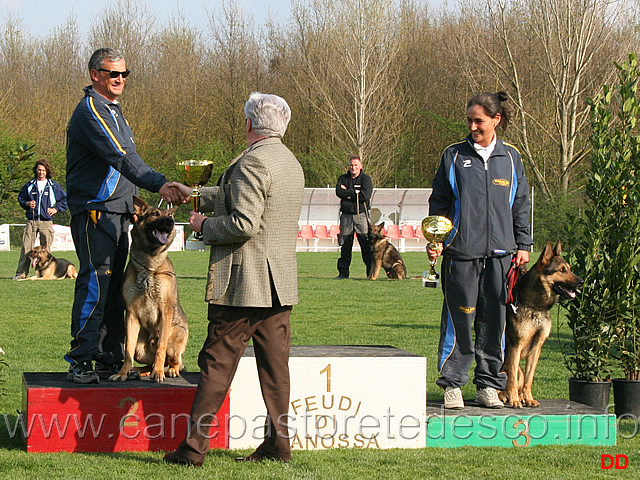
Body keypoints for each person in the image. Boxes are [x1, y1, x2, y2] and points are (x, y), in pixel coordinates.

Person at [164, 92, 304, 467]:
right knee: (276, 371)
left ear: (248, 124)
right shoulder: (289, 162)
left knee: (216, 363)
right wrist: (194, 194)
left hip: (242, 284)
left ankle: (193, 449)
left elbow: (243, 223)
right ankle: (279, 445)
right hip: (278, 286)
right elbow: (242, 198)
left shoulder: (252, 163)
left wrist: (202, 224)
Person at [64, 48, 190, 384]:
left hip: (120, 213)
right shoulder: (91, 110)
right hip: (95, 212)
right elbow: (121, 158)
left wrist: (159, 188)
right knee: (95, 284)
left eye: (125, 74)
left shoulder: (116, 112)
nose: (120, 79)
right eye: (112, 74)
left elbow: (130, 157)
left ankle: (107, 357)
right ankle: (80, 360)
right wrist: (160, 184)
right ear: (95, 75)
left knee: (117, 293)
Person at [428, 91, 532, 410]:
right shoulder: (454, 156)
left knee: (494, 321)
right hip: (461, 253)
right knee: (459, 320)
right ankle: (453, 384)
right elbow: (440, 202)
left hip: (502, 256)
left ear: (495, 120)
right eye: (470, 120)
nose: (473, 126)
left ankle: (489, 384)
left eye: (479, 121)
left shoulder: (512, 158)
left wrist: (523, 244)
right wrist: (437, 239)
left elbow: (521, 204)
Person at [13, 159, 68, 280]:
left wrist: (56, 209)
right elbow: (20, 198)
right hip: (31, 221)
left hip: (46, 222)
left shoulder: (53, 185)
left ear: (47, 171)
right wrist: (27, 203)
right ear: (36, 171)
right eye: (39, 170)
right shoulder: (29, 185)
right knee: (27, 248)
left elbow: (65, 199)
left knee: (46, 250)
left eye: (43, 170)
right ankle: (21, 273)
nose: (41, 172)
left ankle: (45, 274)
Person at [335, 155, 373, 279]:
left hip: (360, 215)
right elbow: (338, 192)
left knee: (366, 245)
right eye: (351, 165)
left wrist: (348, 193)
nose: (353, 167)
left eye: (356, 165)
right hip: (346, 216)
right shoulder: (343, 178)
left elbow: (365, 196)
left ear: (360, 166)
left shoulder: (366, 179)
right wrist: (354, 192)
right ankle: (343, 273)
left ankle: (370, 273)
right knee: (345, 245)